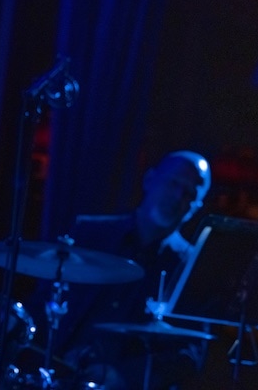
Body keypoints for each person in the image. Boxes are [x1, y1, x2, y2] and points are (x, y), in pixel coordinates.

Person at [54, 150, 212, 390]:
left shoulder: (190, 266)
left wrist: (123, 375)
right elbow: (47, 304)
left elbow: (191, 353)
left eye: (190, 193)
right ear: (149, 180)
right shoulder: (89, 234)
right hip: (61, 373)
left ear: (196, 207)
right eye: (174, 183)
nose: (178, 196)